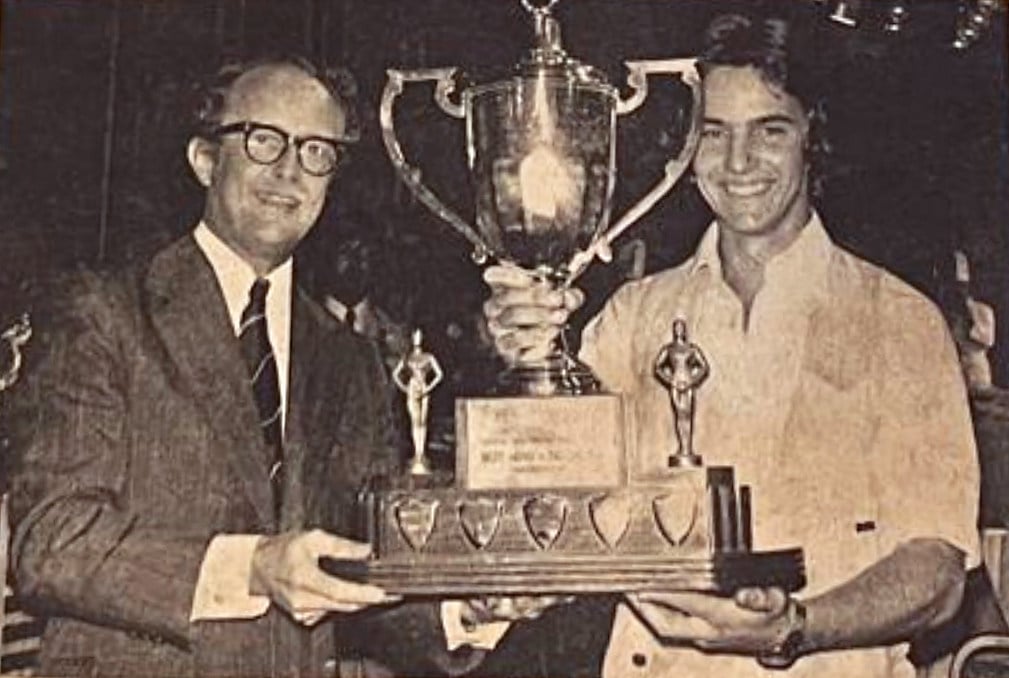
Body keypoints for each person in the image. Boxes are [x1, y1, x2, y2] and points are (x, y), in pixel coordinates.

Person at [481, 13, 980, 678]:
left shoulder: (899, 322)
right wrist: (527, 357)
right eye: (712, 134)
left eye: (769, 130)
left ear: (812, 141)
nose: (738, 162)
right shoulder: (631, 317)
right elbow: (550, 501)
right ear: (686, 152)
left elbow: (937, 573)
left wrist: (792, 628)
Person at [6, 56, 488, 678]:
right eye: (264, 140)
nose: (290, 170)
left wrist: (468, 610)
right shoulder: (102, 313)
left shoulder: (350, 360)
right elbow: (53, 546)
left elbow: (348, 571)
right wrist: (252, 567)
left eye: (317, 151)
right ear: (205, 159)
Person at [652, 318, 709, 465]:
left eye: (681, 327)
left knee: (687, 415)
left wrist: (693, 380)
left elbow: (704, 367)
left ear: (684, 330)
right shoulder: (669, 349)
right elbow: (657, 367)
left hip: (688, 382)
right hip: (675, 383)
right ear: (673, 330)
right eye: (676, 327)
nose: (679, 330)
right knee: (679, 415)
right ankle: (682, 447)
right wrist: (670, 380)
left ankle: (687, 448)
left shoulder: (692, 348)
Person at [392, 328, 444, 474]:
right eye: (415, 336)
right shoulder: (407, 358)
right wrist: (405, 388)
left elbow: (439, 374)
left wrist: (429, 387)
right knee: (414, 421)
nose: (417, 339)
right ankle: (417, 454)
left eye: (420, 336)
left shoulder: (428, 357)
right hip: (413, 388)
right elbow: (396, 374)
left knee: (423, 421)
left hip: (423, 388)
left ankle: (421, 453)